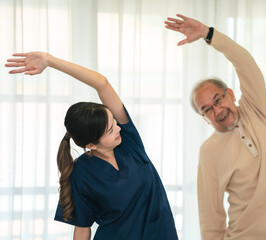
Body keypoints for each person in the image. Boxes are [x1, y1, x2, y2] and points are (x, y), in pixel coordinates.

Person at [165, 14, 266, 240]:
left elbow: (245, 63)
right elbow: (210, 215)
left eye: (218, 99)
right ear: (205, 118)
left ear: (231, 94)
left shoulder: (256, 111)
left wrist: (208, 34)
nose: (217, 110)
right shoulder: (209, 151)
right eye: (207, 110)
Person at [5, 52, 178, 240]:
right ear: (91, 145)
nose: (119, 128)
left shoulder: (129, 142)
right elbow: (82, 227)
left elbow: (101, 83)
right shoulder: (81, 173)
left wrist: (51, 60)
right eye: (111, 130)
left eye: (114, 122)